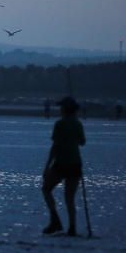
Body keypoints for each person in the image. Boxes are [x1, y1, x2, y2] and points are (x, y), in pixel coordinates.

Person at [41, 97, 86, 236]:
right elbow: (82, 142)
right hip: (75, 163)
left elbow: (55, 146)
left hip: (62, 163)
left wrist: (47, 166)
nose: (59, 109)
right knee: (69, 198)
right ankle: (72, 227)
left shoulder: (60, 124)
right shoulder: (78, 124)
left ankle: (55, 220)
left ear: (65, 109)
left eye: (61, 107)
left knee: (46, 189)